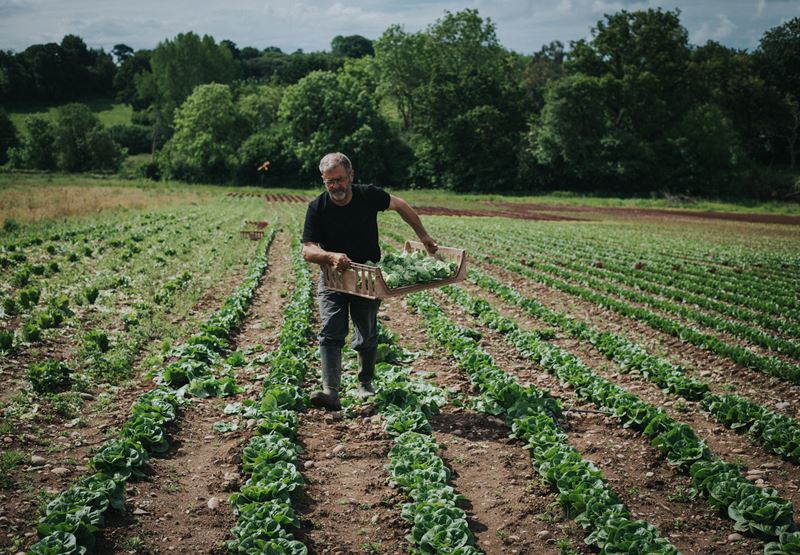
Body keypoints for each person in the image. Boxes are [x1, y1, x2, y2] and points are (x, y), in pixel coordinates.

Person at [302, 152, 438, 410]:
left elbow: (401, 205)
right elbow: (307, 250)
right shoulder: (317, 207)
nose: (335, 186)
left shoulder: (368, 195)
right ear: (323, 180)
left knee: (366, 331)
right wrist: (330, 256)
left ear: (351, 176)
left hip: (367, 277)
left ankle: (365, 383)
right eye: (329, 181)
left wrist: (424, 236)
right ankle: (330, 391)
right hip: (333, 278)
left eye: (340, 179)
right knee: (331, 330)